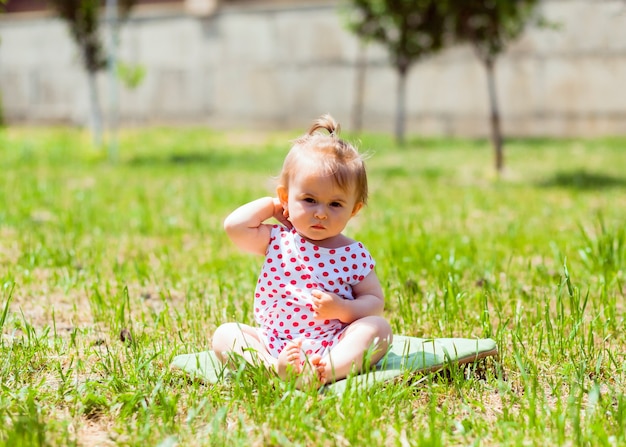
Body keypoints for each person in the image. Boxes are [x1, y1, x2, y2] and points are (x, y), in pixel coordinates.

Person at [212, 114, 392, 388]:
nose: (320, 213)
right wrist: (273, 207)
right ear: (287, 198)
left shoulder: (353, 254)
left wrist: (343, 308)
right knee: (225, 335)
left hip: (334, 343)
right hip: (275, 342)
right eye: (309, 200)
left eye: (335, 204)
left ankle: (325, 372)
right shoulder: (278, 240)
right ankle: (275, 369)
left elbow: (374, 302)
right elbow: (234, 226)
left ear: (353, 210)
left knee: (380, 330)